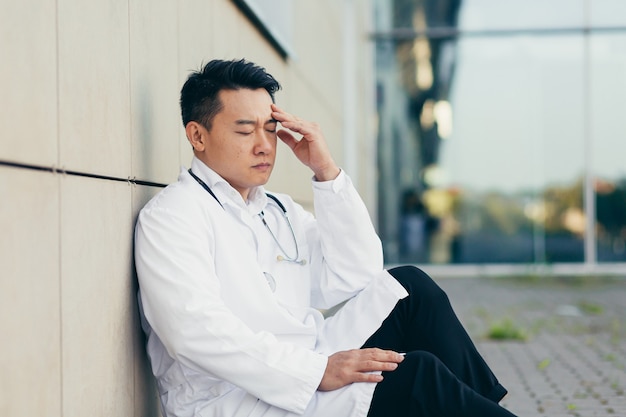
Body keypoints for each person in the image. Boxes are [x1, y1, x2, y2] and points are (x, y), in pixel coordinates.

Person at [134, 58, 519, 417]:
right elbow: (194, 334)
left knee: (410, 290)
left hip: (307, 357)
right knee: (416, 374)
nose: (264, 145)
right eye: (245, 130)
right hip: (235, 399)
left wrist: (326, 172)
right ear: (197, 136)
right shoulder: (173, 217)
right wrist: (317, 370)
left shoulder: (277, 210)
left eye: (270, 129)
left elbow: (358, 273)